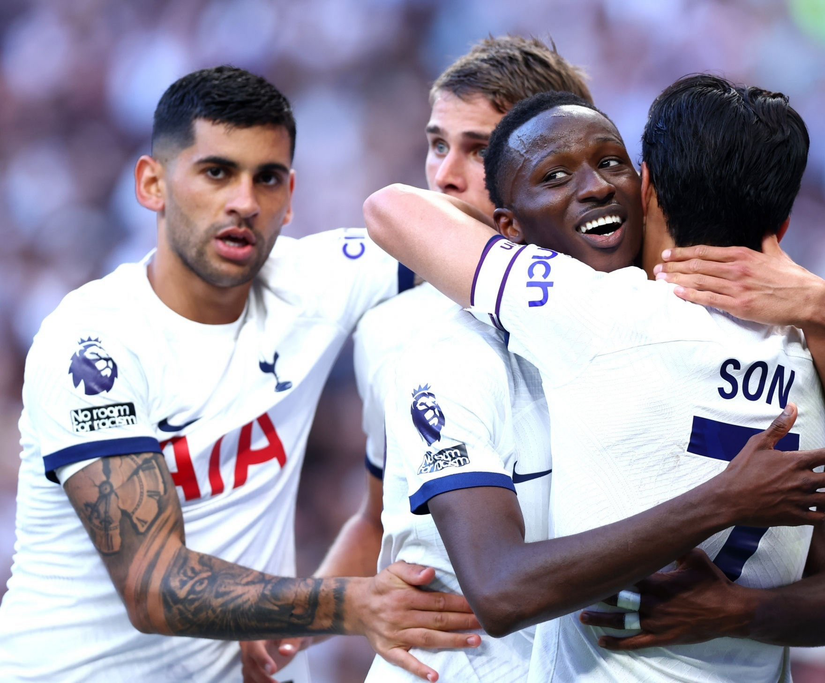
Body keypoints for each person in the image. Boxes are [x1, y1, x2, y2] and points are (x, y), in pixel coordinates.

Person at [363, 80, 825, 683]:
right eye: (554, 173)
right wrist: (823, 309)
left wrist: (737, 599)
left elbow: (391, 208)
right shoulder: (800, 349)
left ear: (644, 185)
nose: (594, 186)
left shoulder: (593, 310)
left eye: (609, 162)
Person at [0, 66, 482, 683]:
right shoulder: (92, 344)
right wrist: (350, 604)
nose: (244, 202)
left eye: (268, 179)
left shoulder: (315, 282)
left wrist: (646, 263)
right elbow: (153, 584)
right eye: (216, 172)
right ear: (152, 184)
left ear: (289, 199)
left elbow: (484, 236)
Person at [240, 36, 597, 683]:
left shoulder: (611, 311)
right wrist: (296, 626)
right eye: (437, 145)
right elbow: (380, 516)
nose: (445, 175)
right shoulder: (392, 322)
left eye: (478, 150)